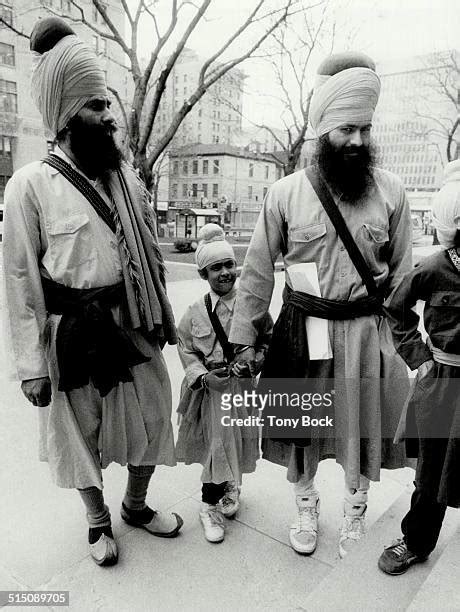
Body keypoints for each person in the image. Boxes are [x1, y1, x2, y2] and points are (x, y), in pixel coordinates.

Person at [2, 18, 182, 567]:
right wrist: (32, 364)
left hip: (131, 321)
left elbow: (149, 255)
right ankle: (97, 522)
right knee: (79, 437)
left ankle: (134, 505)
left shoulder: (126, 180)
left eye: (108, 104)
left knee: (154, 418)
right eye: (95, 107)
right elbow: (19, 282)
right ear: (65, 116)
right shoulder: (28, 185)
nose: (108, 117)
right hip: (71, 331)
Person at [229, 52, 412, 558]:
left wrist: (402, 343)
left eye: (365, 129)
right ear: (322, 128)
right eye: (346, 128)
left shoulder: (392, 192)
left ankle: (356, 511)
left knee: (361, 428)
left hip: (364, 335)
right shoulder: (285, 193)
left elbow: (402, 277)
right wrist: (244, 342)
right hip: (301, 331)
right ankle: (305, 506)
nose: (357, 140)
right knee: (302, 429)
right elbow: (257, 272)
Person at [378, 160, 460, 575]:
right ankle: (416, 541)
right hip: (443, 382)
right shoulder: (432, 268)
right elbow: (395, 309)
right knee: (432, 472)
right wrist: (420, 358)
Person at [176, 224, 272, 543]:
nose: (225, 272)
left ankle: (231, 487)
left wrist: (256, 362)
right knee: (217, 446)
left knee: (240, 440)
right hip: (212, 392)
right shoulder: (194, 313)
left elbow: (268, 340)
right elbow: (186, 347)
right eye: (216, 267)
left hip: (242, 390)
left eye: (229, 265)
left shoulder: (252, 307)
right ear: (204, 274)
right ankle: (208, 505)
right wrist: (202, 376)